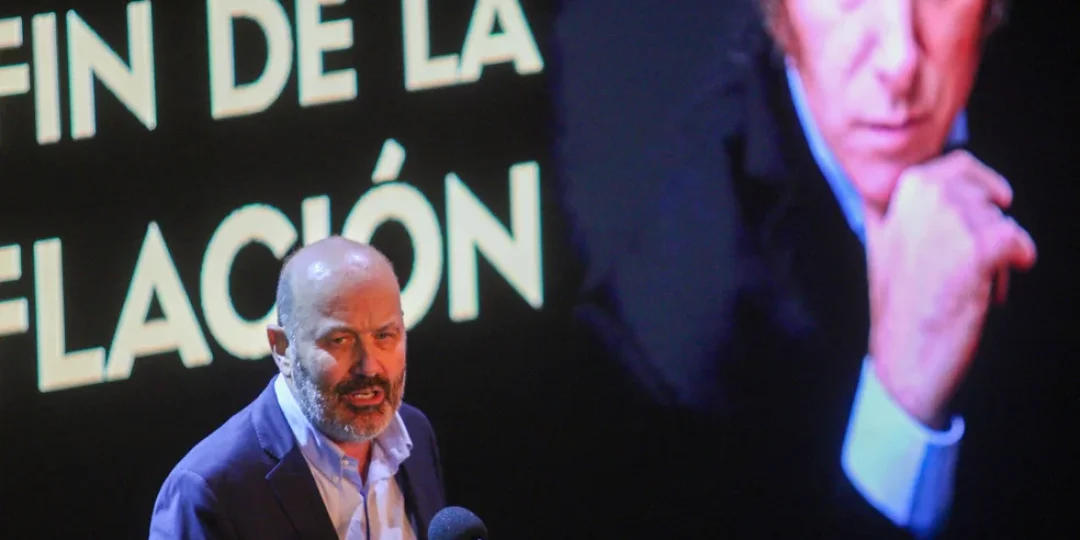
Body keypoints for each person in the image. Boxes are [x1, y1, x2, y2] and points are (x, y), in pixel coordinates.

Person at [551, 0, 1051, 537]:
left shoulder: (1054, 88)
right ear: (780, 12)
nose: (900, 59)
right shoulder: (672, 320)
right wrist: (901, 407)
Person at [149, 237, 446, 540]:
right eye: (340, 340)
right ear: (282, 348)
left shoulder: (414, 435)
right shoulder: (207, 492)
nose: (369, 366)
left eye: (384, 336)